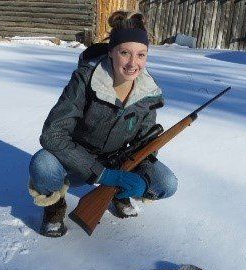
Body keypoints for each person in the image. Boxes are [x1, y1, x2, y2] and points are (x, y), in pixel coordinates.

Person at [28, 10, 178, 237]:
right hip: (76, 160)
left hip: (119, 161)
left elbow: (146, 143)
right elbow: (53, 135)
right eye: (125, 53)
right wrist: (103, 174)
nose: (133, 63)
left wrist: (134, 176)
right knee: (43, 164)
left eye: (141, 55)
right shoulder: (85, 79)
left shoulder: (148, 92)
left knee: (166, 183)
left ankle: (118, 193)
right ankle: (54, 207)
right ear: (111, 52)